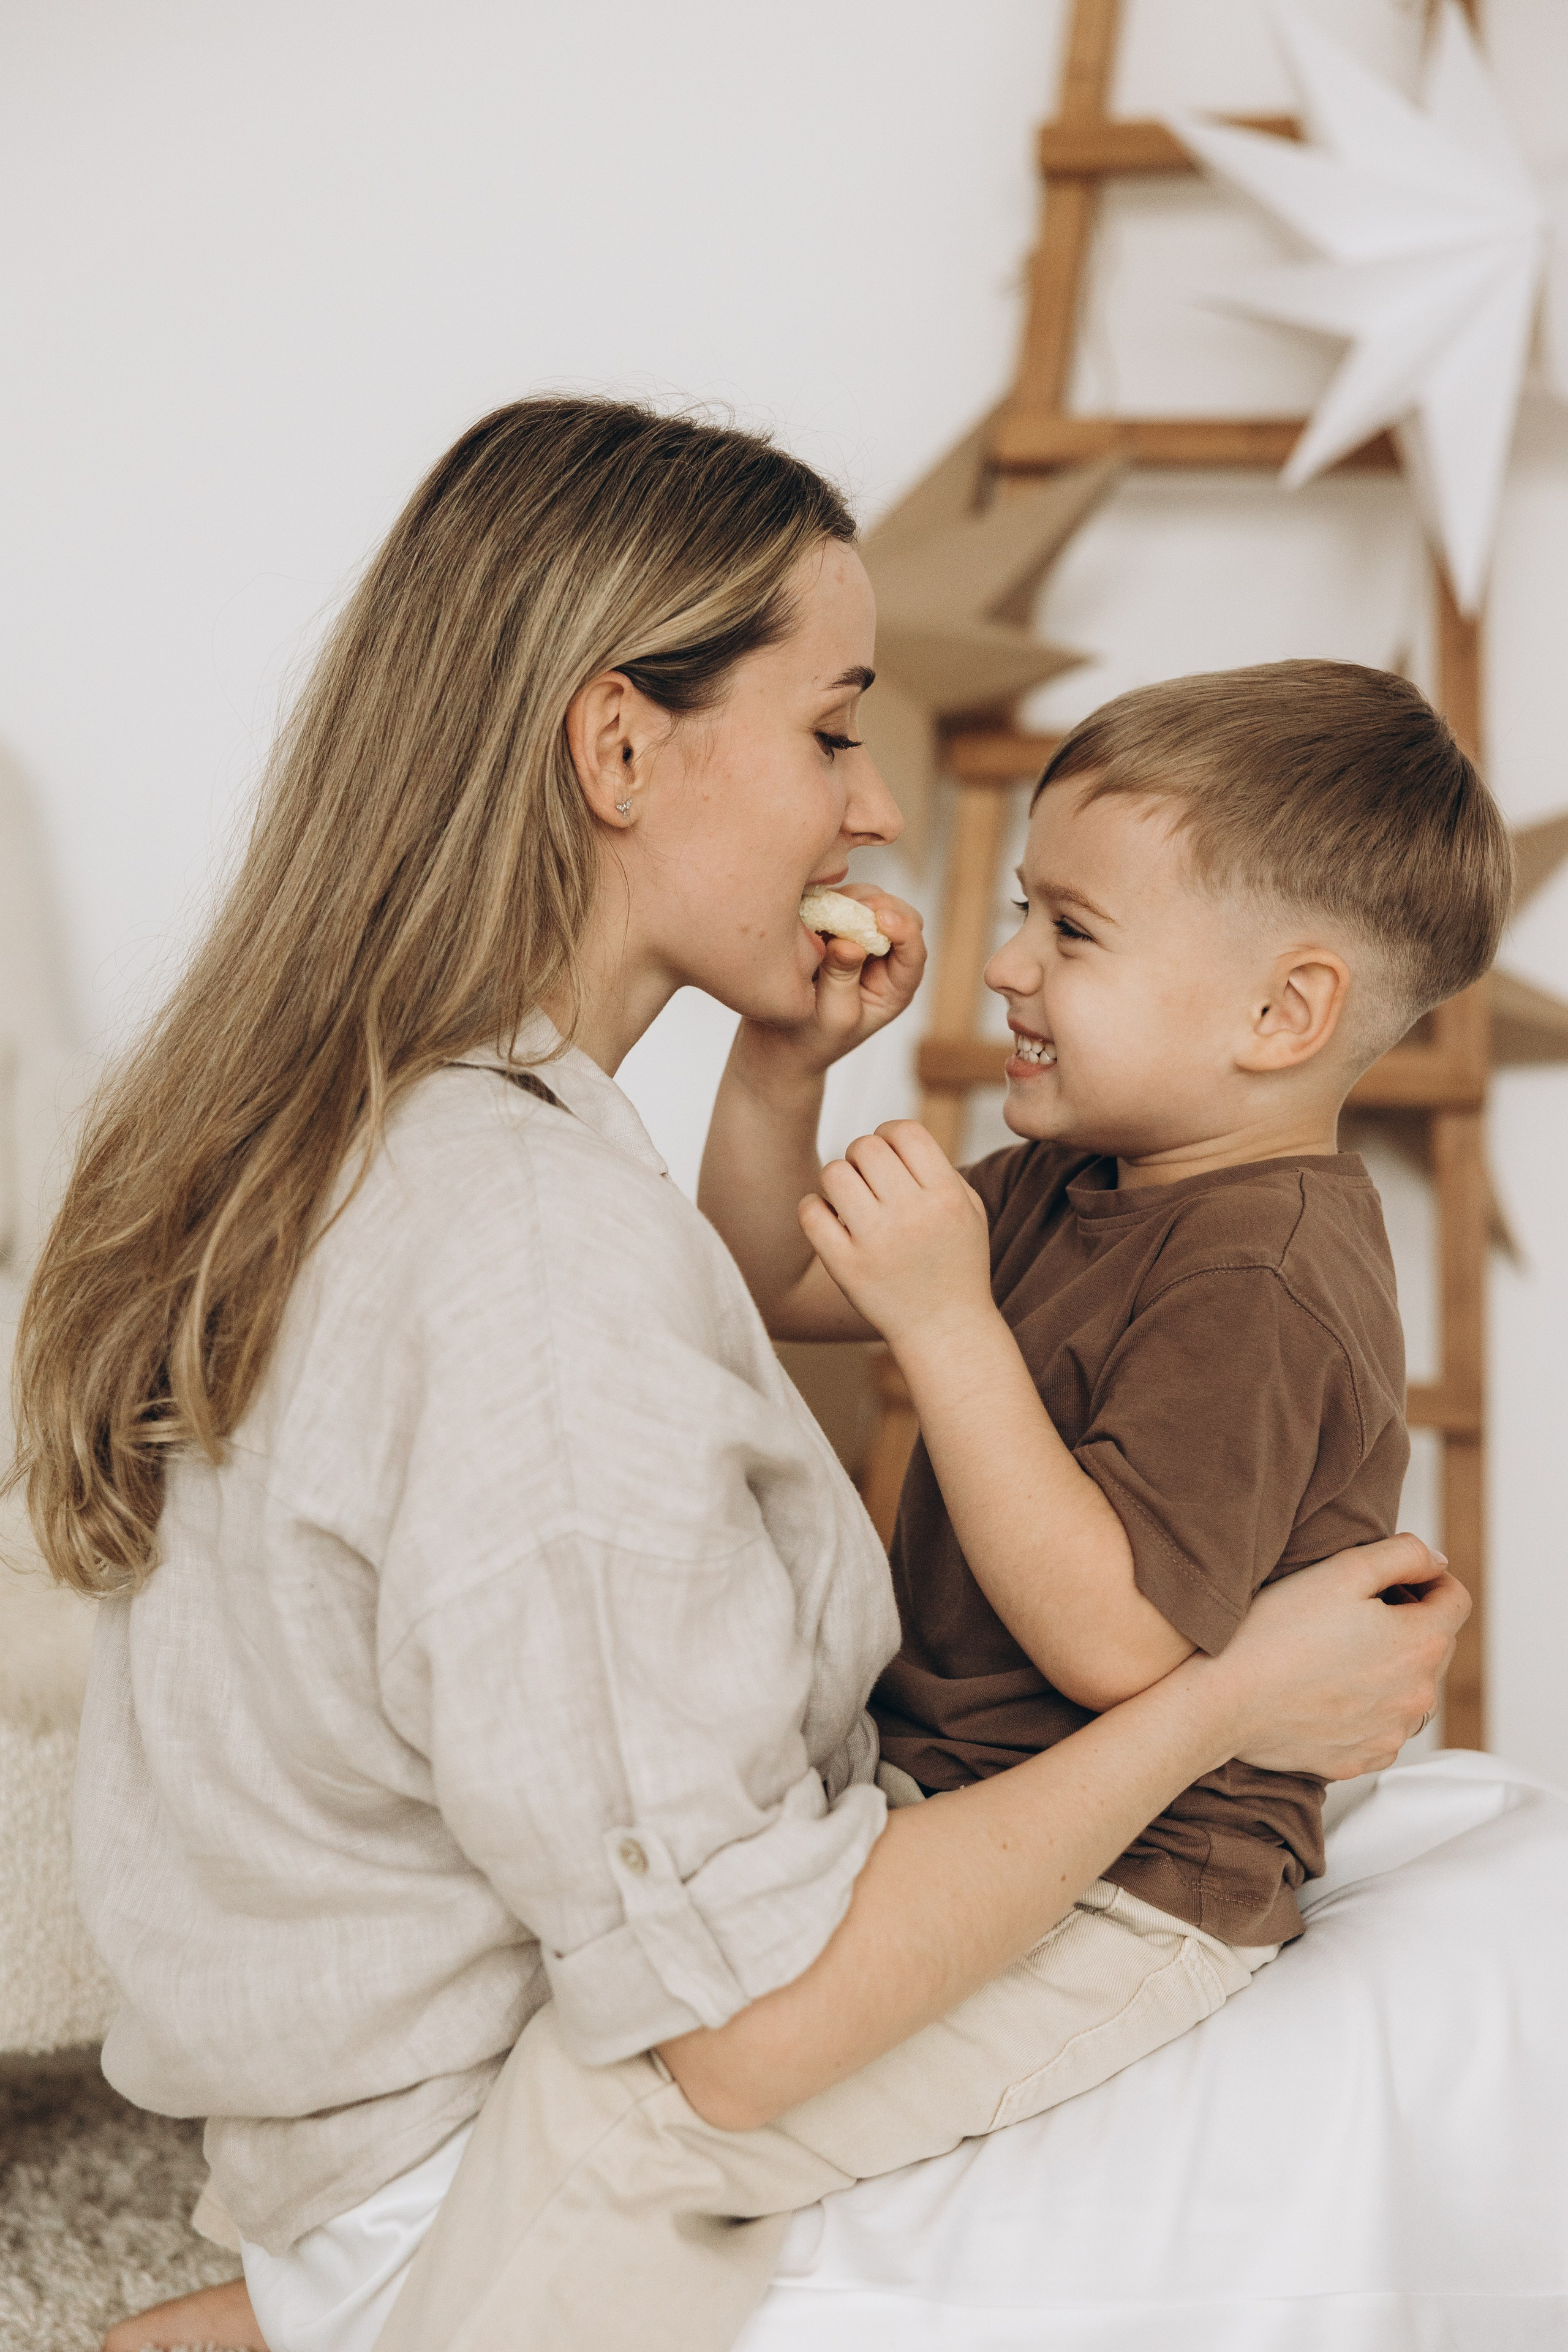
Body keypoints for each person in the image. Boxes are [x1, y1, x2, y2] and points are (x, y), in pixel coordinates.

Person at [5, 397, 1461, 2352]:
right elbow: (734, 2023)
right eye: (837, 727)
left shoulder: (466, 1141)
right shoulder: (524, 1241)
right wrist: (1240, 1705)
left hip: (872, 1912)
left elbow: (752, 1303)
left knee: (1478, 1854)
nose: (877, 809)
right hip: (514, 2165)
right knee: (1488, 2034)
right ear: (618, 747)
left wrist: (787, 1068)